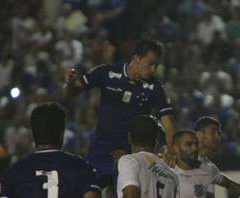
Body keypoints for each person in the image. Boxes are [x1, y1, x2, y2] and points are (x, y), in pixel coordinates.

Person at [63, 38, 175, 188]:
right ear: (136, 58)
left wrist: (170, 148)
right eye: (151, 64)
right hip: (102, 150)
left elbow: (168, 122)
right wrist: (69, 83)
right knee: (90, 193)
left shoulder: (155, 88)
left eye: (157, 65)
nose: (153, 70)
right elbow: (72, 92)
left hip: (133, 155)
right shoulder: (106, 72)